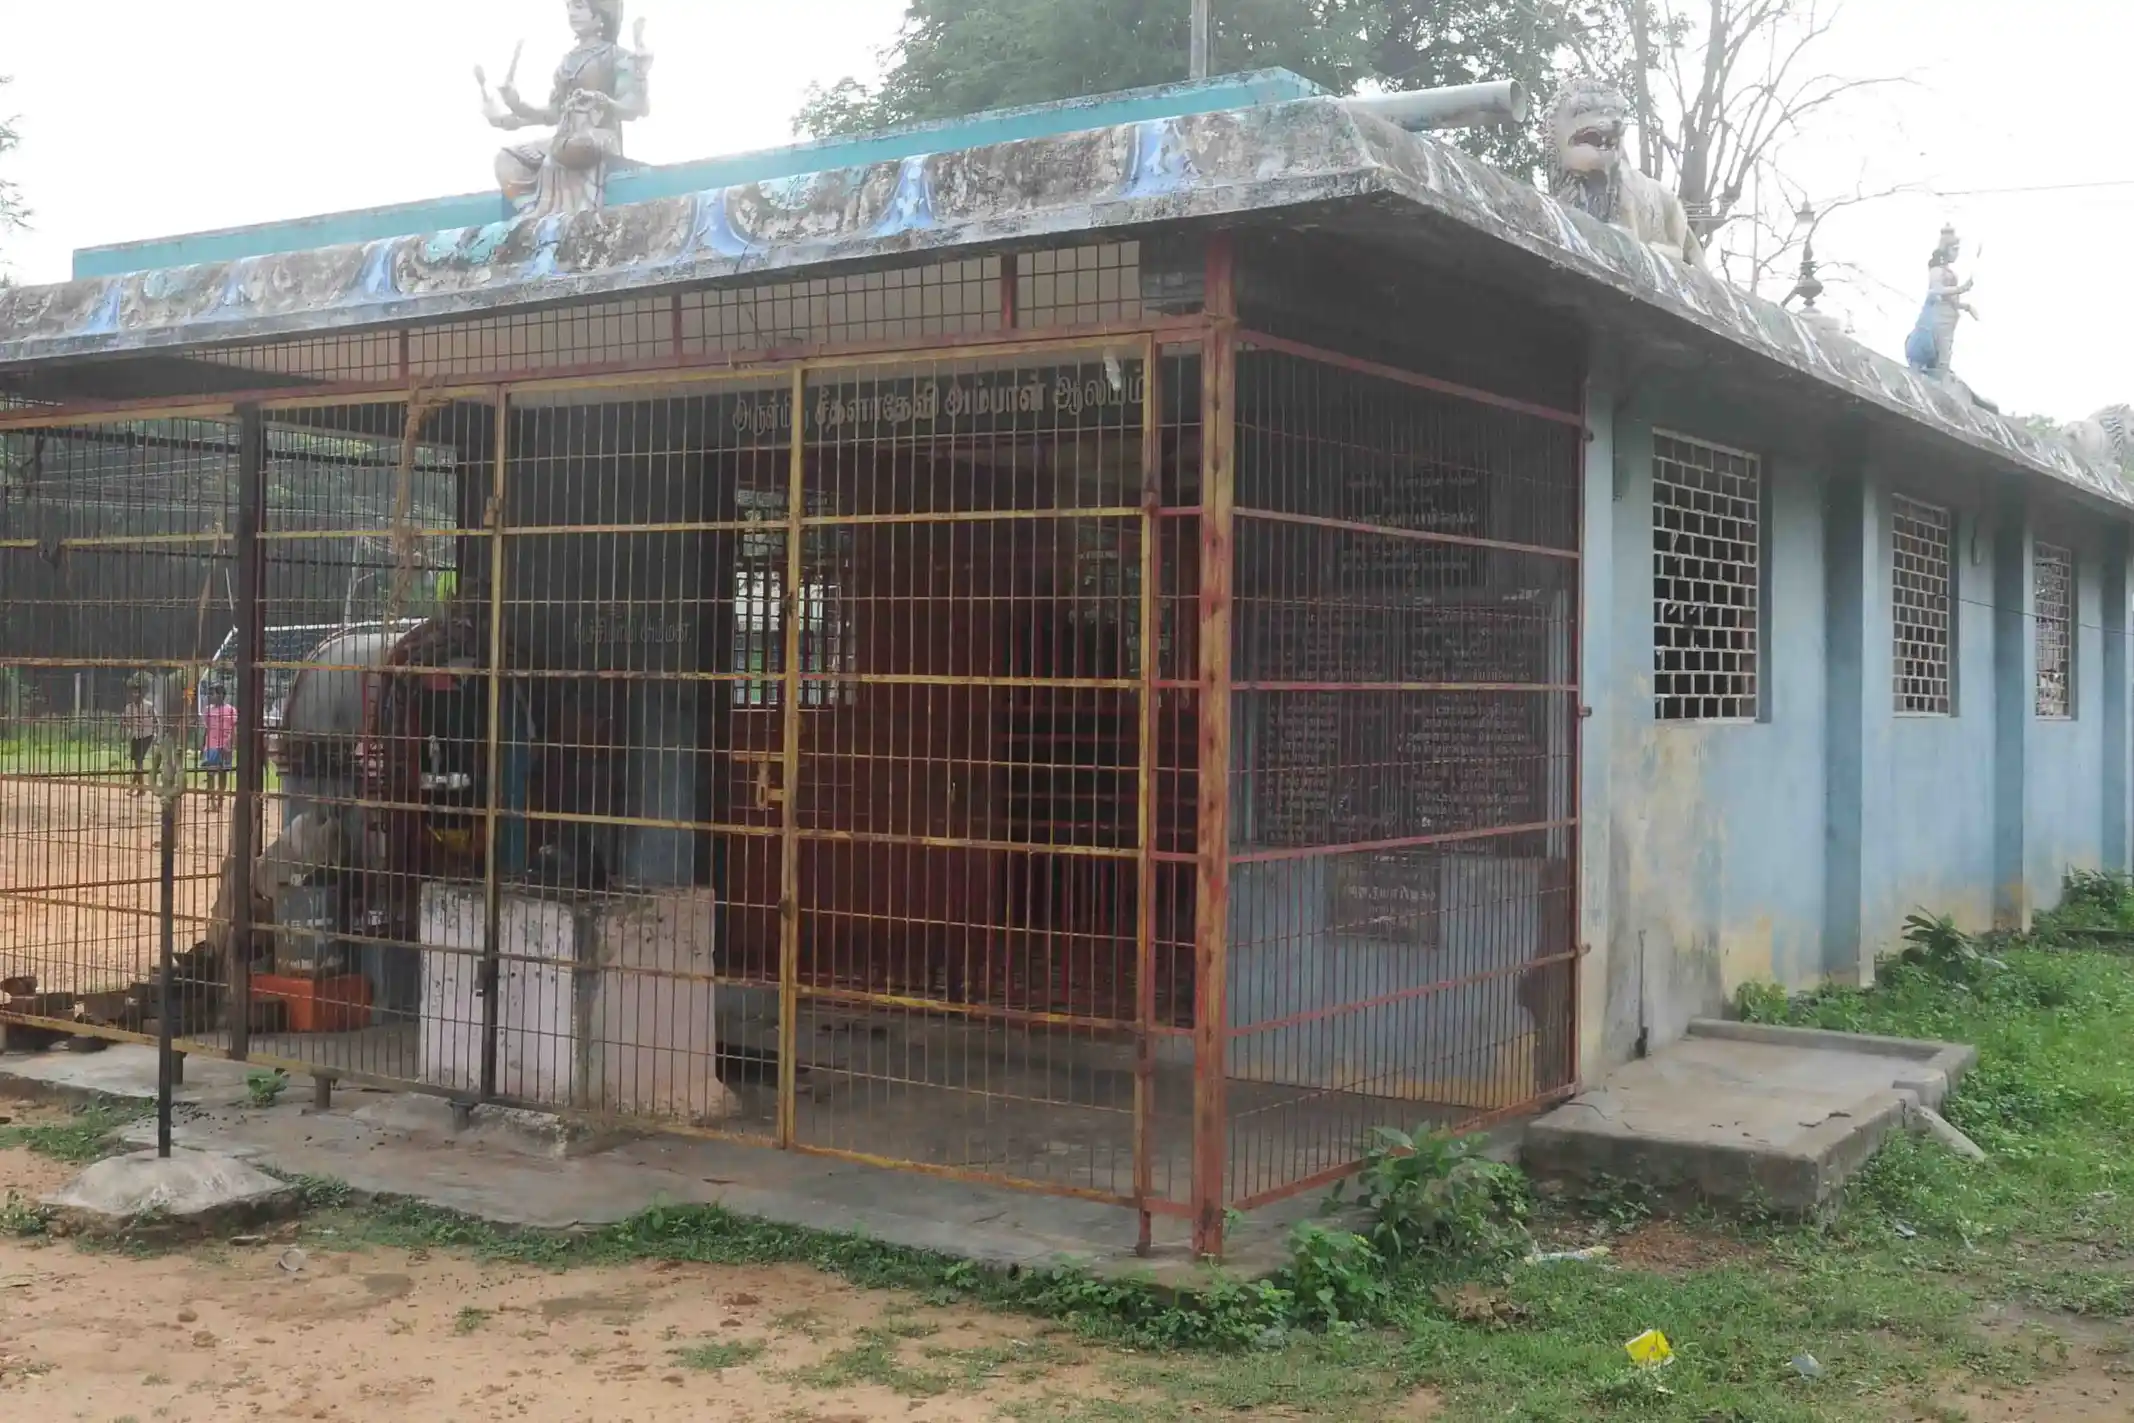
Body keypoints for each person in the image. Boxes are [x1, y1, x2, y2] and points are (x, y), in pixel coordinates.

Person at [476, 0, 652, 219]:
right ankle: (531, 212)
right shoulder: (567, 62)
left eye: (579, 7)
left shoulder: (617, 56)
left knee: (566, 150)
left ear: (600, 15)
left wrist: (608, 97)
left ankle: (560, 212)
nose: (572, 13)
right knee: (506, 160)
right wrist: (517, 104)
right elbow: (552, 114)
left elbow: (633, 108)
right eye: (569, 7)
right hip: (565, 140)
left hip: (598, 138)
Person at [201, 685, 236, 808]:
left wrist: (231, 745)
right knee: (210, 773)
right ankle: (212, 802)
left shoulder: (230, 710)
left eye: (213, 694)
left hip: (225, 745)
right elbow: (206, 729)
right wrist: (203, 746)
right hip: (211, 745)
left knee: (222, 773)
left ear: (221, 695)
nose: (210, 696)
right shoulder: (208, 710)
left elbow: (234, 729)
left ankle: (220, 798)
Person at [120, 684, 157, 797]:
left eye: (138, 692)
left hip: (147, 735)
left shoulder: (149, 706)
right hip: (135, 735)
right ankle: (141, 788)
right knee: (137, 763)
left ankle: (133, 787)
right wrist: (127, 724)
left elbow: (156, 721)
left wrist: (156, 735)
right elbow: (124, 721)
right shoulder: (129, 707)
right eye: (134, 692)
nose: (135, 695)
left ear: (142, 694)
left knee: (138, 759)